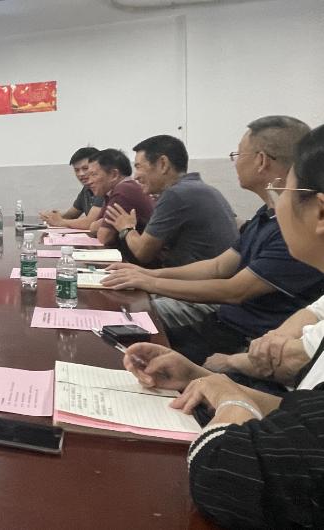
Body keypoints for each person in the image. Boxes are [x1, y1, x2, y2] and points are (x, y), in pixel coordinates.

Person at [122, 124, 324, 527]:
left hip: (240, 336)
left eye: (287, 191)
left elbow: (228, 472)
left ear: (318, 212)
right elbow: (303, 412)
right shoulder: (264, 218)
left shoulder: (183, 195)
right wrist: (204, 378)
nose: (279, 201)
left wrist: (232, 396)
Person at [104, 117, 324, 364]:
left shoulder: (294, 228)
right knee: (127, 326)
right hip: (223, 319)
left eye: (237, 154)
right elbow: (218, 266)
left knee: (129, 325)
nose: (234, 162)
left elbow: (235, 290)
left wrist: (148, 279)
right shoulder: (266, 214)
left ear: (261, 160)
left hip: (242, 335)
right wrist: (147, 275)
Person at [106, 135, 238, 267]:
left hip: (199, 278)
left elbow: (142, 253)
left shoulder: (175, 194)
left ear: (163, 164)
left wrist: (127, 228)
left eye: (139, 167)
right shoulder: (205, 189)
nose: (136, 176)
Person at [84, 148, 154, 261]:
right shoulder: (112, 191)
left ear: (114, 174)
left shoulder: (124, 189)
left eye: (94, 175)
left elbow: (104, 236)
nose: (89, 181)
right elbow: (92, 227)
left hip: (146, 264)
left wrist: (101, 225)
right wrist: (103, 224)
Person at [39, 147, 105, 229]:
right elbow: (71, 215)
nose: (81, 174)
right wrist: (52, 216)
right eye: (76, 170)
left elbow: (89, 222)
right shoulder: (86, 189)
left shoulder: (104, 187)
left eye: (85, 168)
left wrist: (60, 222)